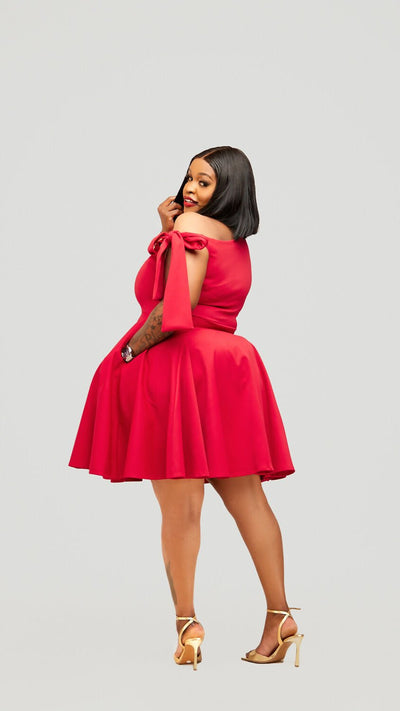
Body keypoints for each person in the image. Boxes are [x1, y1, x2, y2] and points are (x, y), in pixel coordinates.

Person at [68, 145, 304, 670]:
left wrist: (127, 353)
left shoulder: (191, 230)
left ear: (228, 190)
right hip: (228, 369)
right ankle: (281, 616)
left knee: (181, 509)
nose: (190, 190)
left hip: (182, 369)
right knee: (250, 501)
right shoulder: (235, 241)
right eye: (189, 178)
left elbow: (176, 309)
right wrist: (164, 231)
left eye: (204, 182)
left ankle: (187, 626)